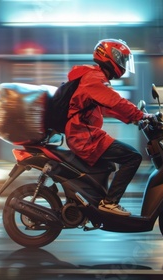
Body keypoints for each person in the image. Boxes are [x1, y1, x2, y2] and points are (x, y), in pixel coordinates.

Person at [64, 39, 154, 216]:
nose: (124, 65)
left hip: (84, 134)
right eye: (123, 60)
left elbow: (108, 108)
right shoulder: (94, 79)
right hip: (83, 136)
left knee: (110, 165)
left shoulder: (94, 77)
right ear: (111, 57)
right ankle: (110, 203)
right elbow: (115, 101)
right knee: (133, 157)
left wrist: (133, 119)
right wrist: (140, 115)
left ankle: (95, 204)